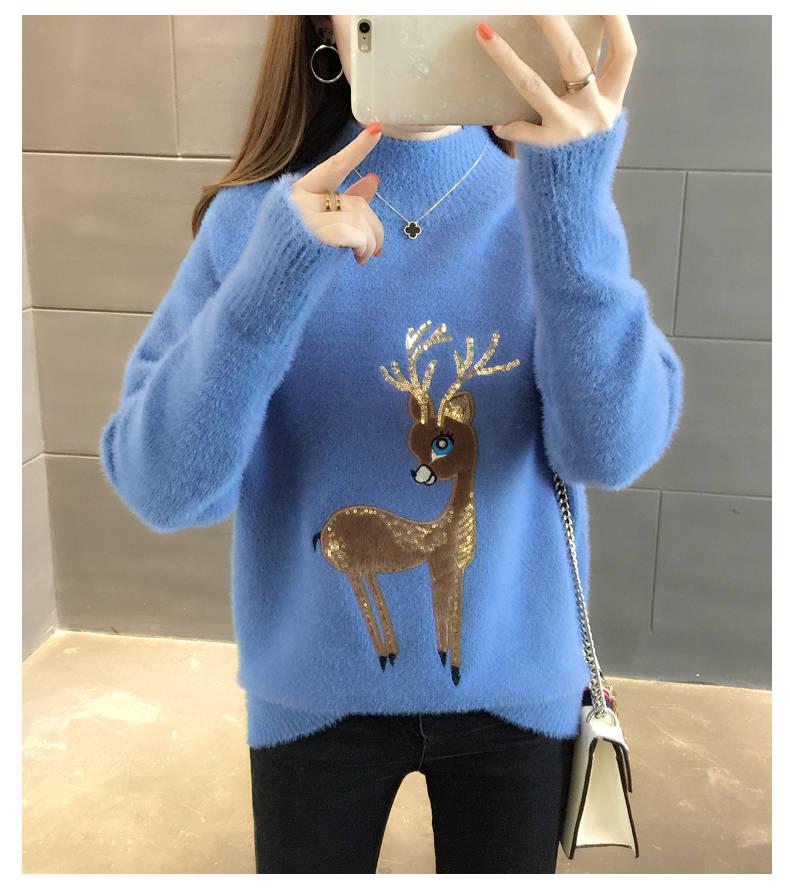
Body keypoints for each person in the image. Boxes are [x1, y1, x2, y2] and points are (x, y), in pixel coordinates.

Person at [99, 14, 683, 874]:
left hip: (520, 697)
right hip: (311, 698)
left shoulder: (552, 204)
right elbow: (162, 487)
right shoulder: (256, 222)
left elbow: (612, 450)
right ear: (323, 23)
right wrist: (274, 276)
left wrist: (576, 201)